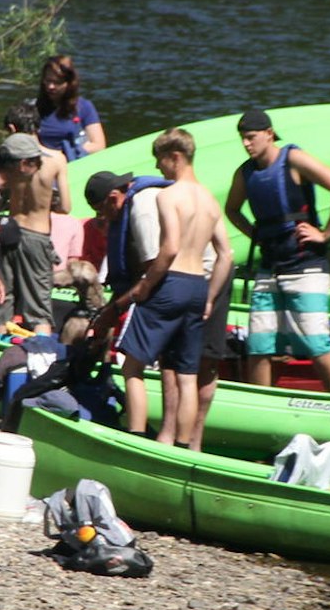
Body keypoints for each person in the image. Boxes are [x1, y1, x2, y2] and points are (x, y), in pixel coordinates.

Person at [93, 130, 232, 448]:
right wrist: (209, 297)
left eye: (161, 163)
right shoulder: (210, 201)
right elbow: (226, 255)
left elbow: (168, 249)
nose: (160, 171)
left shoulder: (168, 196)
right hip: (198, 286)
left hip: (171, 283)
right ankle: (182, 447)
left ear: (175, 157)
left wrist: (145, 285)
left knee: (131, 366)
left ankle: (136, 438)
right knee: (186, 375)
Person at [224, 108, 330, 395]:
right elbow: (231, 210)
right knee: (259, 344)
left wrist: (326, 233)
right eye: (242, 139)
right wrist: (255, 235)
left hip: (306, 265)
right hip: (269, 268)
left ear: (269, 134)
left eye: (251, 137)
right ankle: (262, 407)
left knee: (315, 341)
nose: (246, 144)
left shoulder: (292, 159)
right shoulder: (245, 173)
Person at [0, 132, 69, 334]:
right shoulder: (57, 159)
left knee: (3, 300)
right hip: (37, 235)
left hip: (9, 230)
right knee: (39, 308)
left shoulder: (11, 160)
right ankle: (41, 357)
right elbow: (65, 206)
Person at [35, 53, 106, 159]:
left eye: (57, 82)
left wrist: (73, 152)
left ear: (69, 83)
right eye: (48, 81)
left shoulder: (84, 107)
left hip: (73, 162)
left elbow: (99, 146)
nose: (50, 86)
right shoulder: (33, 108)